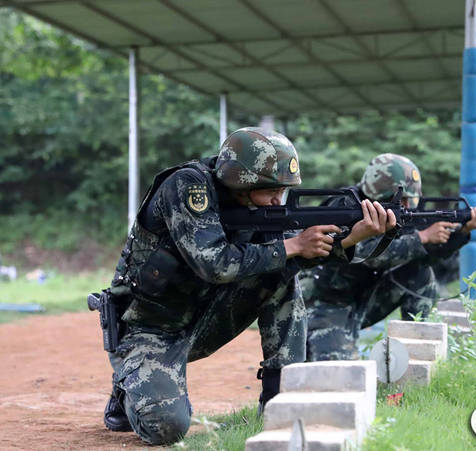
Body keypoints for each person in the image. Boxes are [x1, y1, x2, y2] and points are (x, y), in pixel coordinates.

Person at [101, 128, 395, 445]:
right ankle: (130, 382)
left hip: (204, 318)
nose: (277, 200)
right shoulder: (188, 186)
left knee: (280, 278)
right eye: (271, 190)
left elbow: (287, 258)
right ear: (242, 181)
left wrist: (352, 238)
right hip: (151, 326)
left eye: (283, 191)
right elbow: (214, 264)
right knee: (168, 428)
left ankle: (280, 399)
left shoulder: (255, 207)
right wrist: (294, 245)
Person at [302, 153, 476, 361]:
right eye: (401, 198)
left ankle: (414, 354)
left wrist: (463, 231)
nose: (407, 204)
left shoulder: (392, 213)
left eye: (408, 198)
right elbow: (366, 254)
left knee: (421, 274)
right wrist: (422, 237)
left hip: (365, 299)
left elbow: (424, 258)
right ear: (379, 191)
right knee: (334, 373)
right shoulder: (344, 207)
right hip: (326, 303)